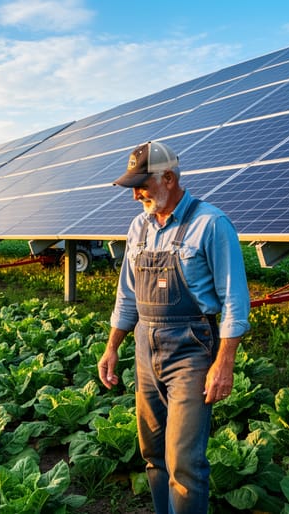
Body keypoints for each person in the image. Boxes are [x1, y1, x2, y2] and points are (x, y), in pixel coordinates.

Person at [97, 141, 251, 514]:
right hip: (144, 347)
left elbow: (235, 300)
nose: (135, 195)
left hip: (191, 348)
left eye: (142, 184)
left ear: (168, 178)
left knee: (184, 461)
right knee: (152, 453)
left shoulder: (210, 224)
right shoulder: (139, 227)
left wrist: (224, 362)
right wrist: (112, 346)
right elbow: (127, 295)